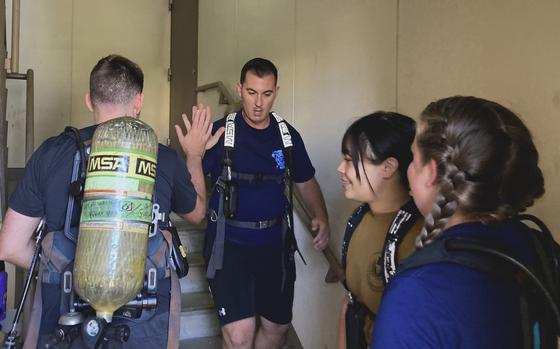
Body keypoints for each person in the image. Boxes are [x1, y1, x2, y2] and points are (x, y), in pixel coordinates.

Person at [0, 54, 222, 348]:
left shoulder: (51, 154)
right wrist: (194, 155)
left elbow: (11, 246)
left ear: (89, 101)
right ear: (139, 102)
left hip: (63, 319)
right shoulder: (163, 159)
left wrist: (69, 272)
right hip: (144, 320)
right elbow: (197, 214)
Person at [371, 96, 545, 348]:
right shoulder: (538, 246)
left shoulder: (416, 293)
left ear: (430, 173)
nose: (409, 169)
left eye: (413, 158)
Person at [202, 57, 330, 349]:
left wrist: (321, 215)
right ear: (239, 89)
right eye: (251, 92)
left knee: (277, 331)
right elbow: (191, 191)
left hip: (275, 248)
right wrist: (195, 157)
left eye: (267, 94)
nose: (258, 103)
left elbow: (306, 180)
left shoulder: (287, 137)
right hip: (230, 247)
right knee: (239, 337)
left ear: (276, 92)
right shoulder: (221, 133)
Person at [335, 112, 423, 349]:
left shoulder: (416, 237)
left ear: (388, 167)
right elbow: (350, 302)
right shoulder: (358, 219)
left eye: (350, 159)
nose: (340, 168)